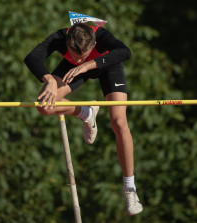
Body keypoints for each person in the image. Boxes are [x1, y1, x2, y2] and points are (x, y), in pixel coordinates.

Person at [24, 22, 143, 215]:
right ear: (68, 43)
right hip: (71, 70)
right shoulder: (60, 37)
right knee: (44, 105)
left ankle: (130, 188)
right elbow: (32, 58)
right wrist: (50, 79)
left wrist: (88, 64)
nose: (79, 59)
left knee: (119, 122)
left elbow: (125, 51)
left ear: (94, 43)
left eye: (83, 55)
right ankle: (85, 113)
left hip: (105, 65)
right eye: (75, 54)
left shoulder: (101, 35)